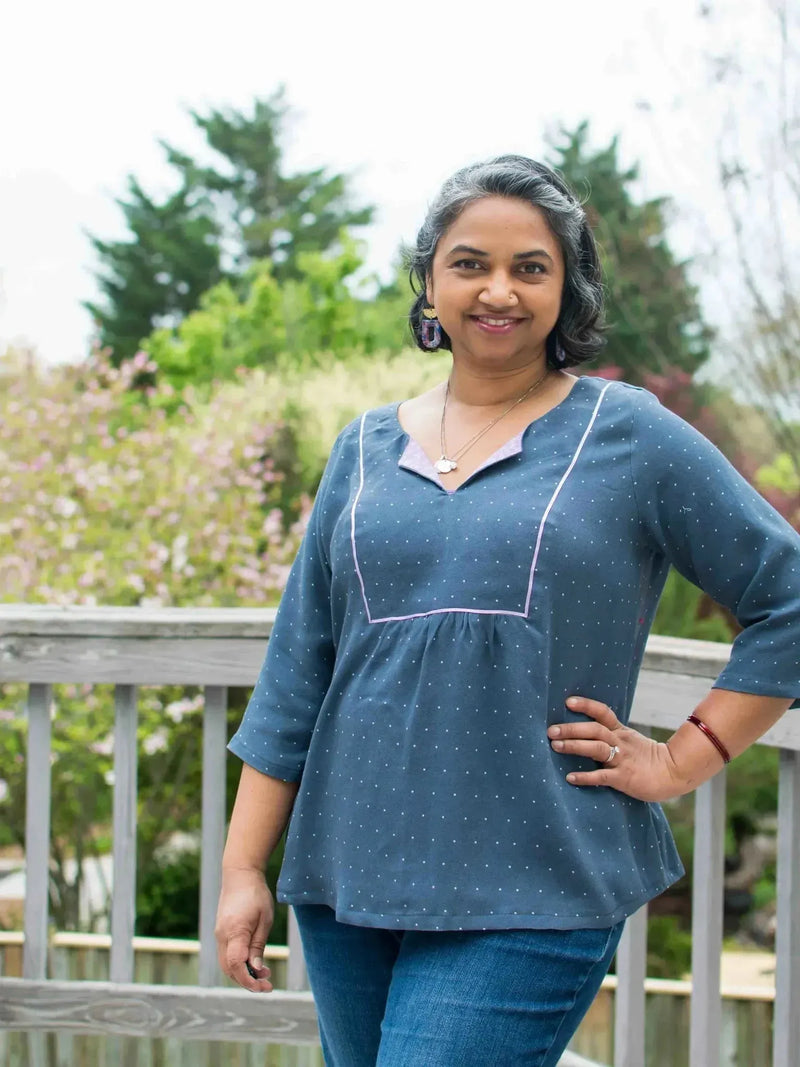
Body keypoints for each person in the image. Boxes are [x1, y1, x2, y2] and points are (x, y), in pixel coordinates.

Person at [215, 155, 800, 1066]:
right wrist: (243, 867)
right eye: (469, 263)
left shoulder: (628, 433)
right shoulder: (360, 452)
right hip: (346, 880)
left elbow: (788, 598)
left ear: (568, 288)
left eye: (531, 266)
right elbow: (299, 672)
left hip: (536, 879)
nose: (499, 289)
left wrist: (686, 757)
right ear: (431, 281)